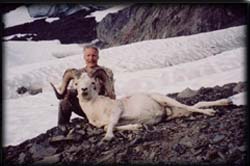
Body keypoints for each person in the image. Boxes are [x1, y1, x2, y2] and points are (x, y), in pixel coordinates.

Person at [58, 45, 116, 125]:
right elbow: (74, 91)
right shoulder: (77, 74)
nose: (91, 58)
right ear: (84, 57)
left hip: (101, 108)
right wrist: (66, 92)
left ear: (98, 57)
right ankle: (62, 127)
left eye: (94, 55)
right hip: (84, 107)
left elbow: (111, 93)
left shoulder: (106, 72)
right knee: (64, 102)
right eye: (88, 55)